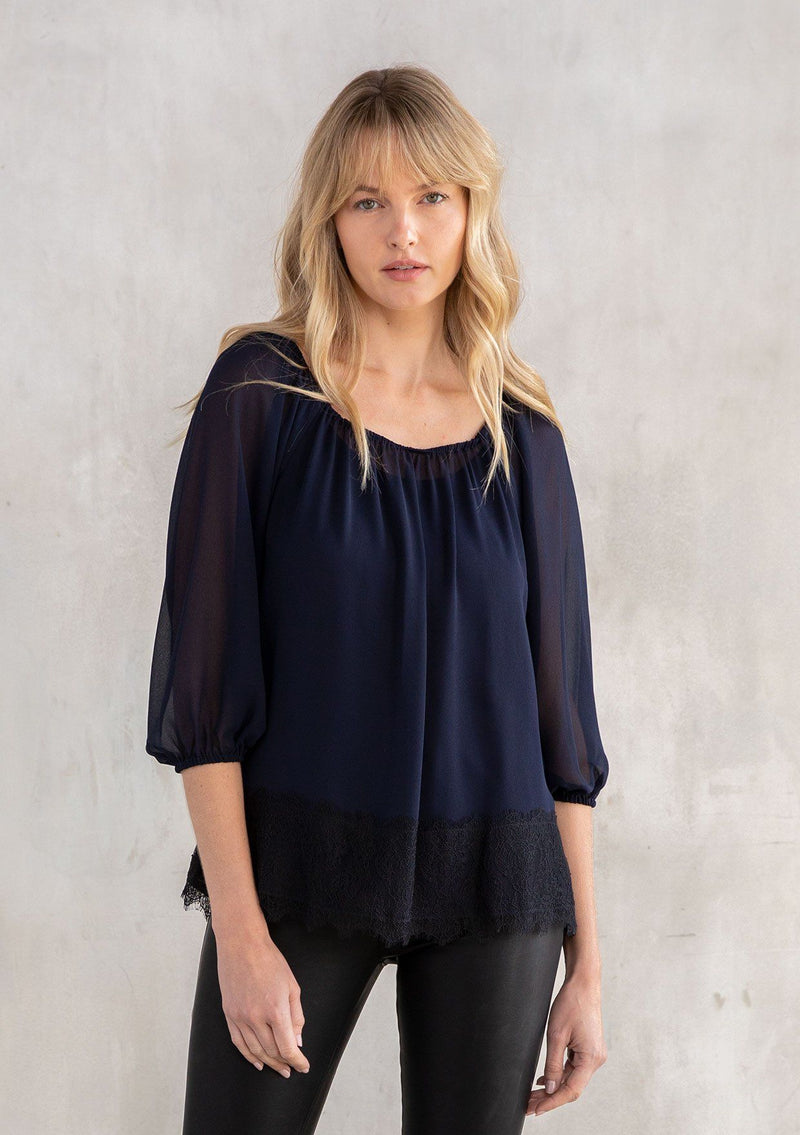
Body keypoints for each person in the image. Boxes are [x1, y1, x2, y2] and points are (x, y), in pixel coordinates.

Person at [145, 64, 610, 1135]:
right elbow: (207, 693)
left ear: (470, 210)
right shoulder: (260, 396)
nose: (403, 231)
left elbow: (561, 724)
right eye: (368, 200)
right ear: (329, 220)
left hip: (499, 880)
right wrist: (241, 935)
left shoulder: (522, 431)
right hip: (302, 862)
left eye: (432, 196)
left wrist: (588, 961)